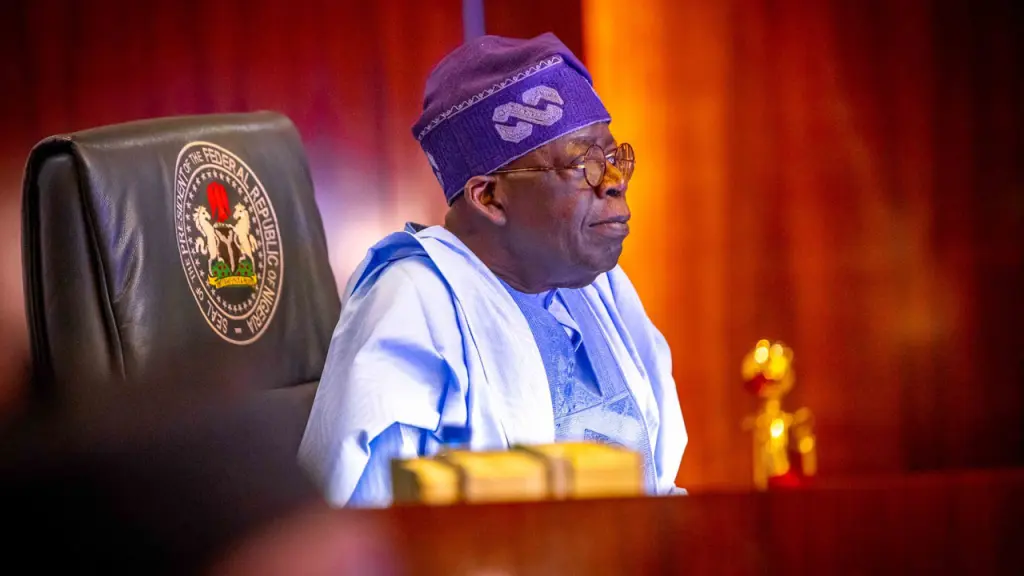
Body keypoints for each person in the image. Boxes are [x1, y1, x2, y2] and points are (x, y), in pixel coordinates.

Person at [299, 32, 686, 508]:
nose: (614, 183)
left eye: (612, 159)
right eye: (583, 164)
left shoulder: (598, 286)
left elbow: (657, 486)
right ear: (489, 197)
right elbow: (369, 521)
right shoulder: (413, 302)